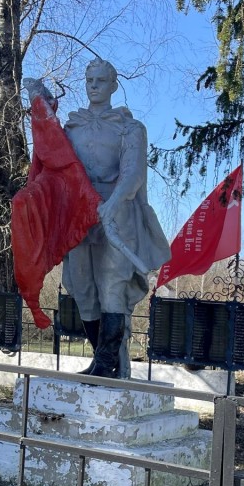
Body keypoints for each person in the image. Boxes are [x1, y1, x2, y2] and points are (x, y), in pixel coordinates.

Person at [62, 58, 171, 379]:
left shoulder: (130, 127)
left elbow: (133, 172)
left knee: (111, 288)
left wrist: (112, 204)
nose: (93, 86)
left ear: (113, 85)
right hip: (80, 219)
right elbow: (58, 168)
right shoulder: (72, 127)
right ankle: (104, 360)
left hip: (117, 216)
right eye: (89, 80)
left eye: (100, 80)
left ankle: (106, 365)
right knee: (81, 288)